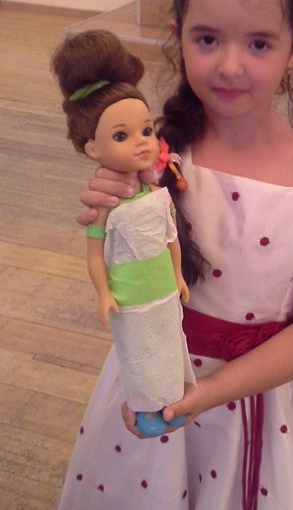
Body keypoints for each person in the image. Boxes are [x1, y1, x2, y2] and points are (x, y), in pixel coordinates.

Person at [57, 0, 293, 510]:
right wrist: (109, 216)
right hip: (154, 376)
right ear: (178, 34)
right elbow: (131, 269)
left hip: (267, 408)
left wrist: (205, 395)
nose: (230, 66)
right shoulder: (158, 156)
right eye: (208, 39)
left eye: (259, 44)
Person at [52, 30, 196, 437]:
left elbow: (171, 237)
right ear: (92, 149)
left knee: (167, 343)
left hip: (163, 287)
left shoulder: (156, 191)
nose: (141, 143)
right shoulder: (108, 202)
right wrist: (103, 293)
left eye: (147, 130)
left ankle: (171, 396)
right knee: (138, 352)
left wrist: (178, 275)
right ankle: (146, 407)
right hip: (129, 293)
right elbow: (94, 253)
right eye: (121, 136)